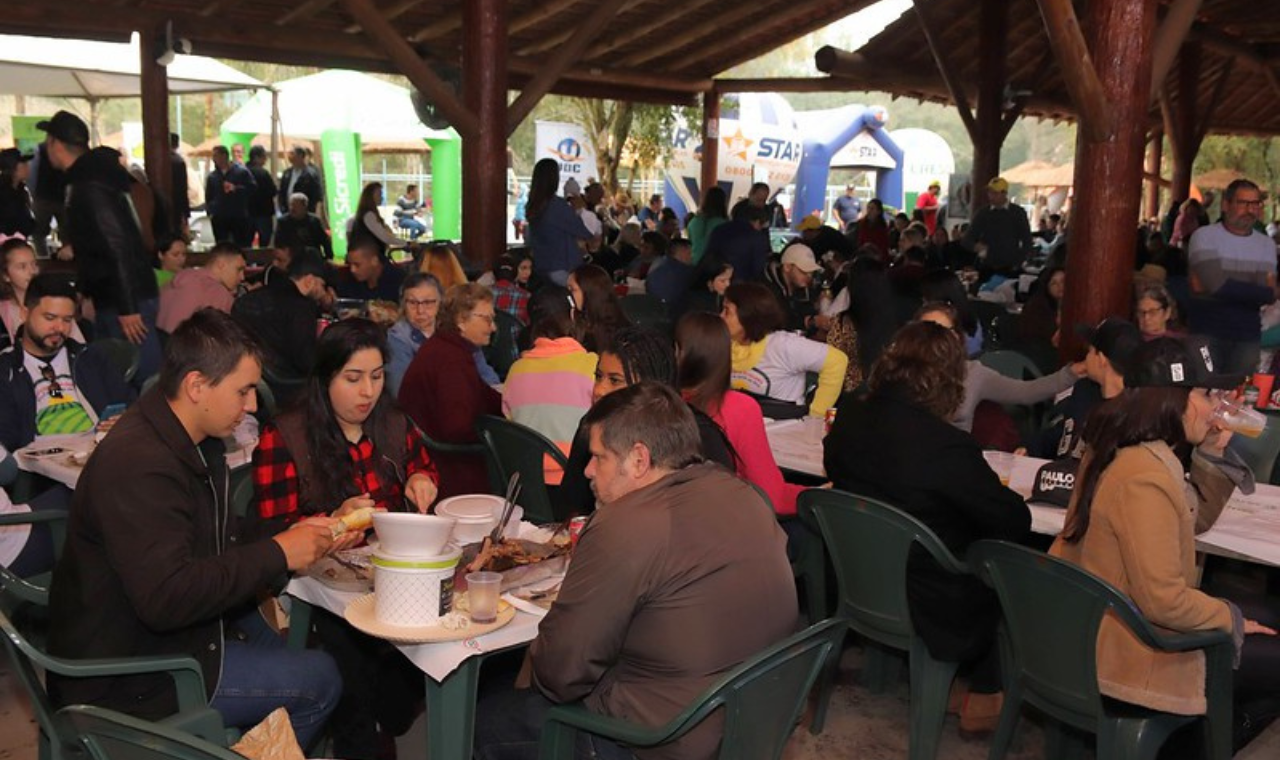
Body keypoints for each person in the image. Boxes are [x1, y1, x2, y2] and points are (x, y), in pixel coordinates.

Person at [47, 309, 343, 747]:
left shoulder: (182, 437)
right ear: (197, 386)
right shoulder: (141, 464)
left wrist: (301, 532)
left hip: (160, 638)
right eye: (243, 390)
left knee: (289, 646)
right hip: (130, 675)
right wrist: (280, 552)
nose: (252, 405)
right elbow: (168, 598)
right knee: (321, 678)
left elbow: (218, 534)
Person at [475, 382, 798, 760]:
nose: (587, 469)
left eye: (599, 457)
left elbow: (562, 674)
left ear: (639, 460)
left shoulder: (626, 524)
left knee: (481, 721)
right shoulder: (743, 495)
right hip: (757, 720)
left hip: (665, 738)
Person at [1050, 337, 1280, 747]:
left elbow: (1187, 519)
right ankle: (1188, 745)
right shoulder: (1145, 475)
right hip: (1130, 649)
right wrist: (1230, 618)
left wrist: (1210, 456)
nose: (1217, 407)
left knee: (1269, 616)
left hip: (1096, 621)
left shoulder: (1117, 442)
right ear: (1173, 399)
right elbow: (1164, 602)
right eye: (1207, 395)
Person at [824, 320, 1031, 734]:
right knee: (1001, 564)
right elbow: (1014, 520)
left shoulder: (849, 416)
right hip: (929, 600)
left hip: (857, 576)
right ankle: (987, 692)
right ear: (948, 380)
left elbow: (836, 469)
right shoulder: (945, 446)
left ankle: (969, 688)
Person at [250, 318, 439, 759]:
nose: (367, 392)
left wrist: (421, 478)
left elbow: (423, 465)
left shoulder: (392, 423)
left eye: (376, 377)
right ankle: (360, 736)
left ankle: (387, 714)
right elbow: (271, 531)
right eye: (353, 379)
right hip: (319, 584)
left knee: (425, 642)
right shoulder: (287, 435)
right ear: (325, 378)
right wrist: (334, 522)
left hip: (389, 572)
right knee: (352, 657)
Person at [558, 327, 735, 517]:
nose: (599, 390)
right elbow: (571, 507)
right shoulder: (595, 427)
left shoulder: (698, 436)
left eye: (615, 380)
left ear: (649, 386)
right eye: (598, 376)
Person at [41, 110, 161, 378]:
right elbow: (95, 244)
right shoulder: (93, 176)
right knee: (116, 377)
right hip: (118, 294)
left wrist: (128, 307)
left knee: (141, 377)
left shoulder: (89, 183)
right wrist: (85, 289)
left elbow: (116, 244)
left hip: (125, 297)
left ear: (55, 143)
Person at [676, 311, 801, 516]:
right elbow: (772, 497)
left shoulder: (659, 403)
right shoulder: (739, 408)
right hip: (729, 520)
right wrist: (820, 497)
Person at [0, 274, 134, 451]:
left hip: (101, 452)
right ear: (25, 314)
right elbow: (7, 439)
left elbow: (131, 405)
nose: (59, 328)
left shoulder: (90, 358)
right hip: (36, 460)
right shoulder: (6, 369)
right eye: (50, 318)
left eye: (67, 320)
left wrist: (125, 419)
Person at [398, 283, 501, 500]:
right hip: (447, 469)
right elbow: (457, 428)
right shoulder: (452, 360)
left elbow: (485, 396)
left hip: (433, 458)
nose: (493, 327)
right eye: (487, 319)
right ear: (461, 320)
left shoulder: (445, 349)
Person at [915, 302, 1080, 434]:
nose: (936, 338)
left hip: (953, 456)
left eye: (944, 331)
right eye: (928, 330)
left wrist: (1071, 373)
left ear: (957, 336)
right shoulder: (905, 372)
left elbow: (1025, 392)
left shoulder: (973, 372)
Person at [502, 289, 597, 483]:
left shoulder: (516, 370)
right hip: (578, 482)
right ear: (572, 316)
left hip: (526, 482)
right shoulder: (593, 367)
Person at [1187, 178, 1276, 375]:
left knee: (1239, 392)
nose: (1250, 210)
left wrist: (1221, 284)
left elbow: (1269, 293)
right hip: (1206, 331)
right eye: (1243, 203)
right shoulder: (1204, 236)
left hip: (1247, 336)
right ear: (1225, 205)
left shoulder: (1266, 244)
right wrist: (1253, 288)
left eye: (1255, 204)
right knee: (1202, 387)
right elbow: (1215, 284)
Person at [723, 282, 847, 418]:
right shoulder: (725, 343)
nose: (721, 316)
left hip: (783, 426)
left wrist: (816, 415)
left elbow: (837, 361)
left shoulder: (783, 345)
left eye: (727, 311)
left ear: (747, 315)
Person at [1028, 318, 1142, 460]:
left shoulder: (1134, 414)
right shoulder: (1084, 390)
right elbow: (1065, 431)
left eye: (1090, 351)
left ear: (1101, 359)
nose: (1086, 358)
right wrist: (1030, 448)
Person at [232, 248, 330, 384]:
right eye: (322, 285)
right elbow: (305, 360)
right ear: (309, 281)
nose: (323, 292)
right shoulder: (301, 306)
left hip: (249, 379)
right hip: (287, 384)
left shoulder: (248, 299)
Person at [825, 257, 896, 392]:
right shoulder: (895, 321)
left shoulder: (844, 323)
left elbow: (831, 360)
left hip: (849, 394)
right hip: (884, 393)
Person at [1, 237, 84, 351]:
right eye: (22, 267)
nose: (31, 271)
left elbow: (78, 344)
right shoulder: (4, 310)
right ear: (5, 275)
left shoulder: (51, 301)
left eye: (34, 264)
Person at [525, 158, 591, 285]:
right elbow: (584, 231)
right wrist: (580, 210)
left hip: (542, 265)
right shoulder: (557, 206)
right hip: (562, 267)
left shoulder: (533, 205)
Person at [157, 243, 245, 334]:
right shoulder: (218, 293)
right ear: (221, 265)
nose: (242, 277)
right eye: (239, 269)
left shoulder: (180, 277)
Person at [385, 272, 443, 397]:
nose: (420, 311)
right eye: (412, 302)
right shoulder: (397, 338)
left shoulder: (452, 330)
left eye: (428, 302)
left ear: (440, 302)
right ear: (403, 305)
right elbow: (400, 391)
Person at [962, 177, 1033, 276]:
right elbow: (967, 239)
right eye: (989, 192)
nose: (991, 196)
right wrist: (975, 246)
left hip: (1010, 267)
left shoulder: (1017, 213)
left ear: (1004, 194)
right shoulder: (983, 213)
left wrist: (1018, 261)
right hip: (986, 267)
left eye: (995, 193)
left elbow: (1027, 241)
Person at [703, 204, 771, 283]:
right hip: (741, 283)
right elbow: (758, 268)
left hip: (715, 279)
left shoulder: (718, 229)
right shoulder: (757, 237)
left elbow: (708, 255)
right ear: (757, 222)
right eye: (761, 226)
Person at [766, 243, 824, 335]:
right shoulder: (766, 290)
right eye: (803, 271)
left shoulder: (803, 287)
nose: (809, 276)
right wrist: (810, 322)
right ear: (787, 267)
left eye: (811, 272)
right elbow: (776, 323)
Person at [204, 145, 256, 247]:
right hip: (219, 216)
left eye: (216, 156)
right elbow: (209, 195)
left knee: (241, 244)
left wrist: (236, 188)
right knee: (221, 245)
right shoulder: (213, 176)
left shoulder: (241, 172)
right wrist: (210, 210)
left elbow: (252, 188)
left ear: (224, 156)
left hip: (238, 215)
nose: (214, 159)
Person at [568, 263, 626, 353]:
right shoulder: (575, 320)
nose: (568, 295)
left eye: (572, 289)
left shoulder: (615, 331)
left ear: (589, 291)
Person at [337, 236, 406, 302]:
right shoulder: (350, 282)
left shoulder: (399, 283)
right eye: (350, 264)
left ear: (374, 261)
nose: (352, 270)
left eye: (357, 265)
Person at [348, 182, 406, 259]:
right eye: (379, 194)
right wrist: (406, 243)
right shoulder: (369, 216)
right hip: (367, 258)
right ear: (371, 196)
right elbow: (385, 237)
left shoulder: (364, 215)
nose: (381, 197)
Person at [644, 237, 696, 311]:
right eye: (689, 253)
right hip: (674, 312)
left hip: (653, 309)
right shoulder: (684, 270)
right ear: (682, 252)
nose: (692, 256)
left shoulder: (658, 264)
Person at [685, 185, 729, 266]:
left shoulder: (693, 222)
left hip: (694, 264)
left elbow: (690, 244)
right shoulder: (724, 224)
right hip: (714, 266)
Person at [277, 145, 324, 215]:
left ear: (300, 156)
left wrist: (309, 209)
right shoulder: (287, 173)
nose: (290, 156)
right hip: (288, 212)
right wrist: (282, 207)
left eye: (292, 154)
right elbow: (281, 192)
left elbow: (317, 194)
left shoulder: (311, 174)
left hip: (304, 213)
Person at [245, 145, 277, 247]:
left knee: (246, 243)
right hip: (263, 212)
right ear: (256, 157)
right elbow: (272, 191)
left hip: (246, 213)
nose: (265, 160)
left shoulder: (241, 171)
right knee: (264, 243)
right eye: (264, 157)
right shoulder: (263, 173)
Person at [0, 148, 34, 238]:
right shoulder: (4, 193)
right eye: (24, 163)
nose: (28, 166)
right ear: (13, 167)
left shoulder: (21, 190)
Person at [490, 252, 531, 323]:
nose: (528, 272)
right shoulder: (526, 296)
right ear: (515, 273)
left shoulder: (482, 294)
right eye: (523, 268)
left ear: (494, 274)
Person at [169, 133, 190, 235]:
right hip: (177, 204)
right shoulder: (179, 161)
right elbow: (183, 188)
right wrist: (185, 213)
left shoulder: (158, 159)